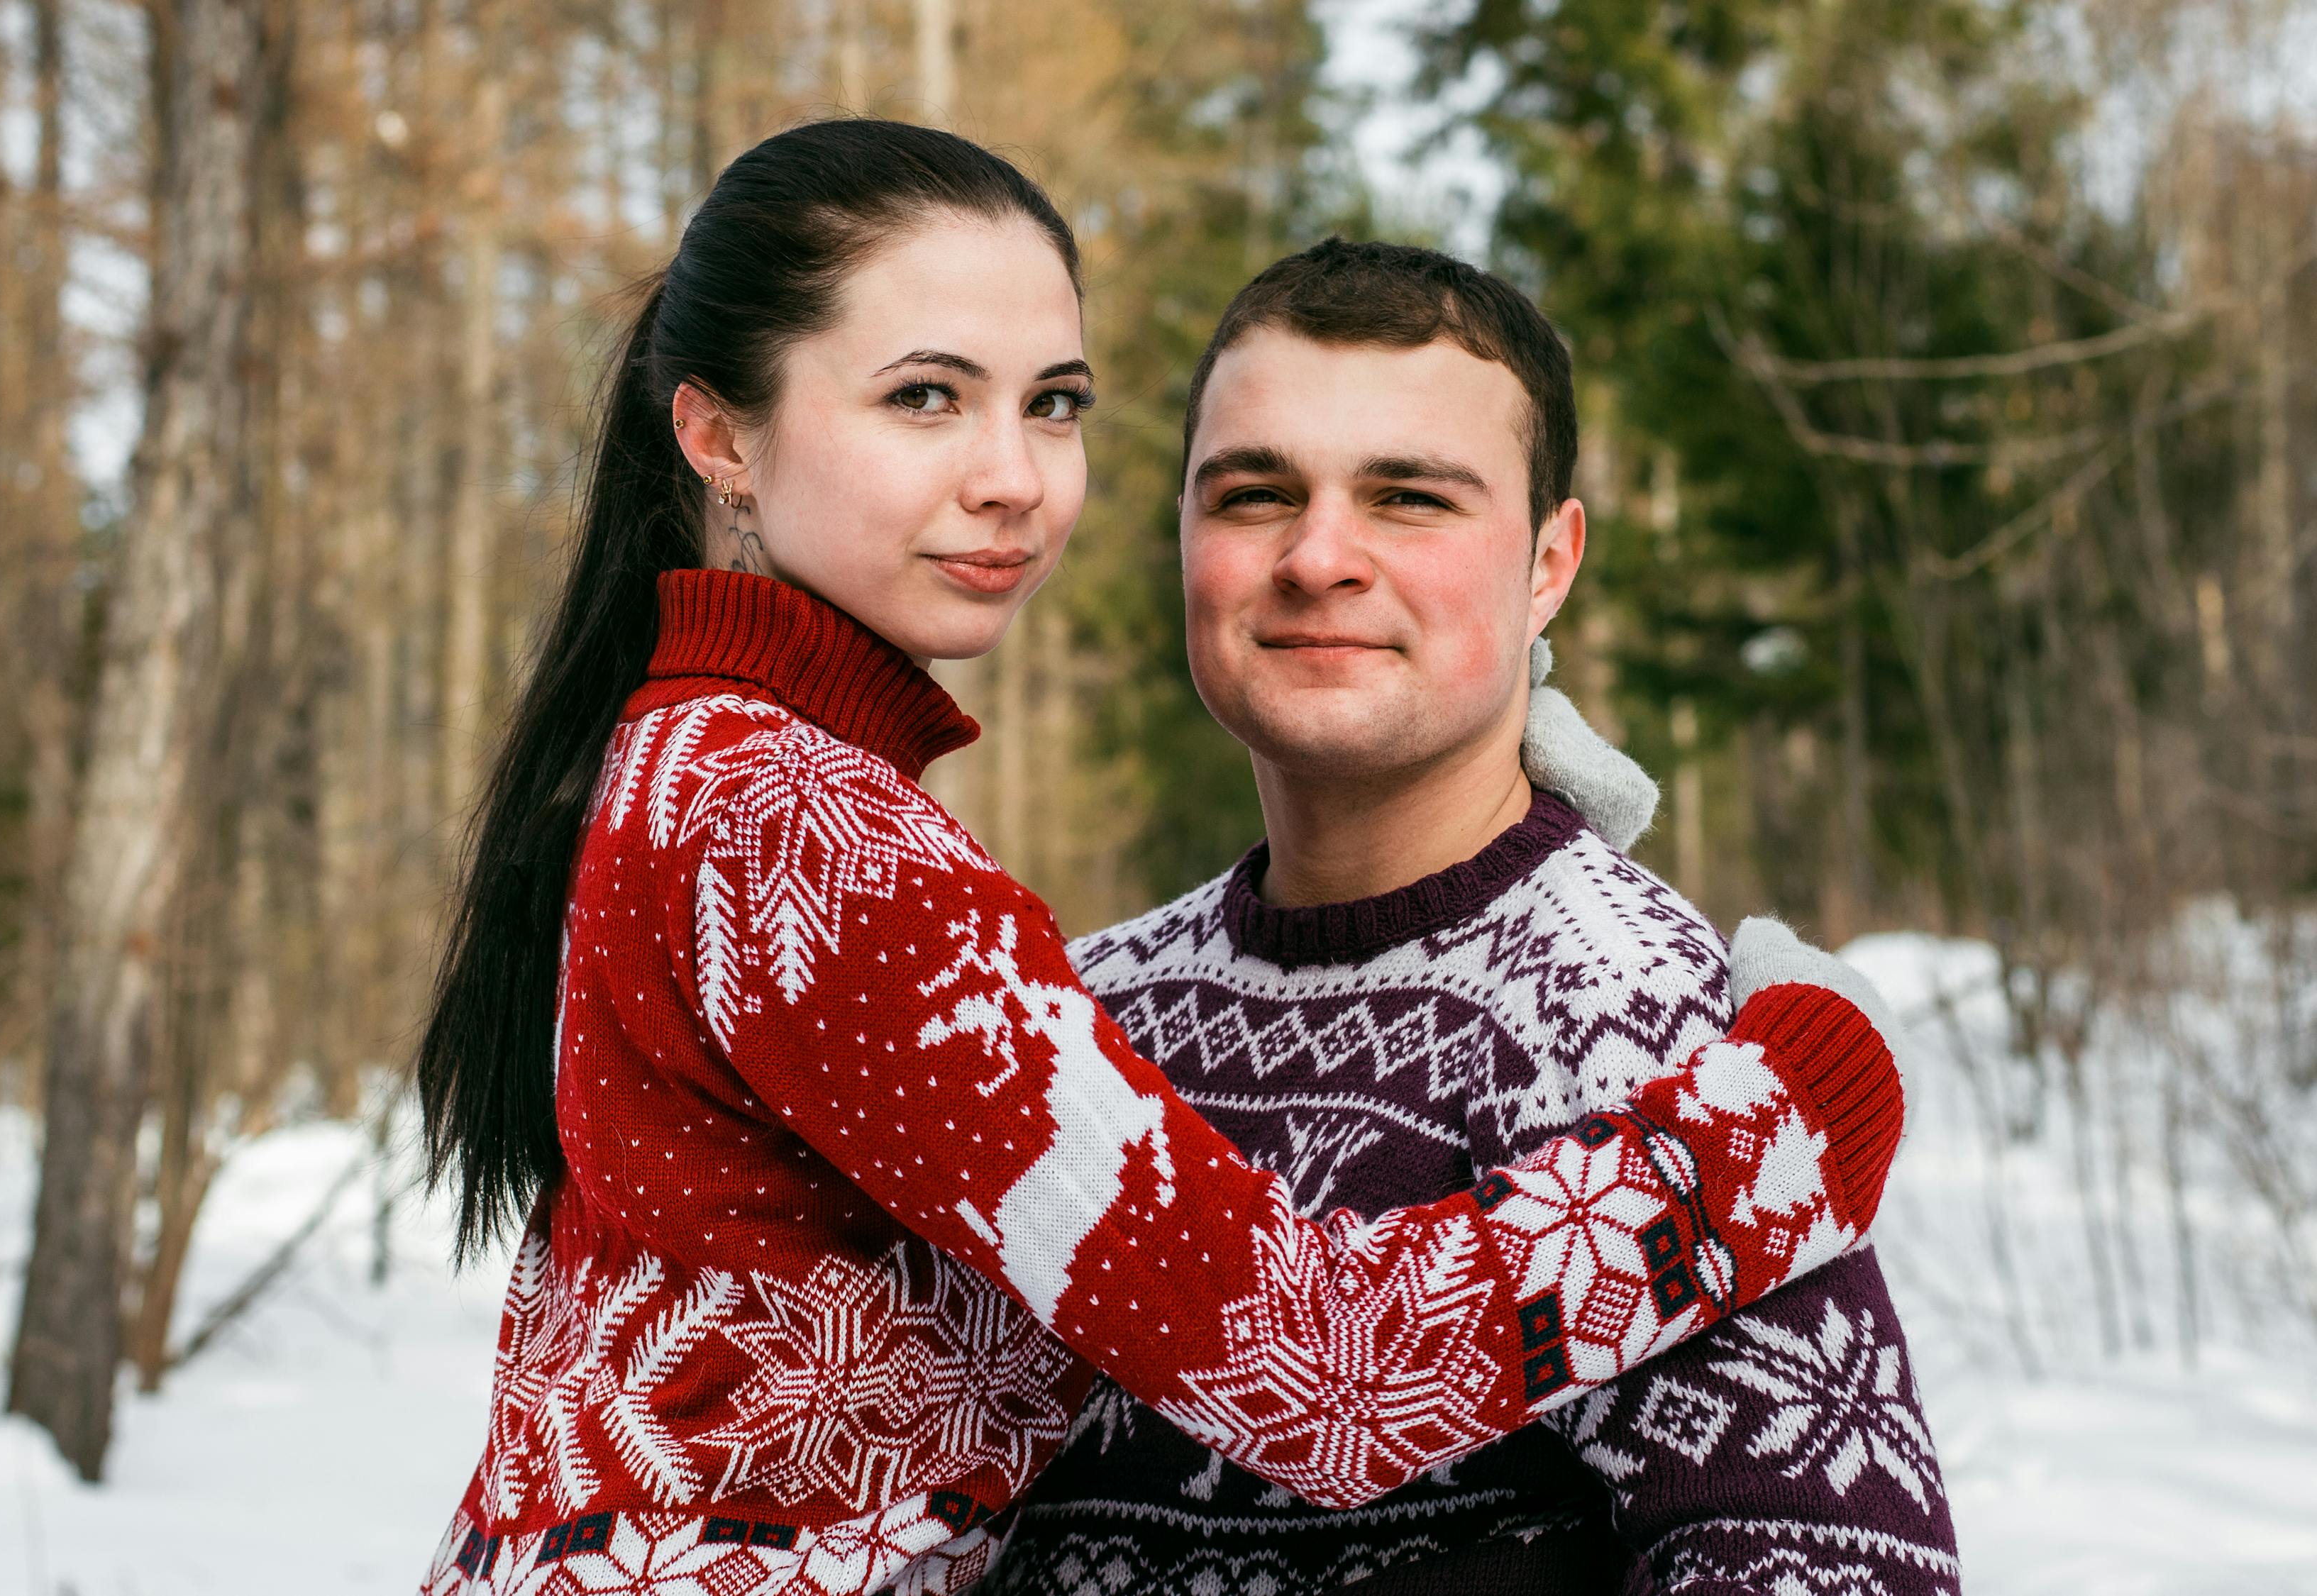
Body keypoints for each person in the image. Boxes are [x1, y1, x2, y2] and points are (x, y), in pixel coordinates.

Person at [414, 121, 1909, 1596]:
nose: (1012, 476)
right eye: (925, 397)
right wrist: (1788, 1127)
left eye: (1052, 404)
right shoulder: (815, 840)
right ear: (720, 434)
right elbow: (1324, 1382)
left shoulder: (685, 776)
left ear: (1549, 562)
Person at [988, 240, 1961, 1595]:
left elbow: (1838, 1565)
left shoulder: (1639, 1020)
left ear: (1551, 561)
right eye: (1256, 492)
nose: (1319, 556)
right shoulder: (1080, 1007)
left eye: (1411, 497)